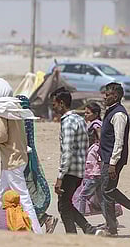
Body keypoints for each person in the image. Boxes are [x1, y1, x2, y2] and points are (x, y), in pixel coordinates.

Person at [0, 81, 42, 234]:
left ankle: (37, 231)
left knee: (23, 198)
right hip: (17, 157)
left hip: (12, 159)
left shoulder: (1, 108)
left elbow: (1, 136)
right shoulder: (13, 105)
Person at [98, 82, 130, 236]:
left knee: (106, 191)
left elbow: (119, 140)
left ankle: (112, 228)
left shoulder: (119, 114)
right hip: (108, 157)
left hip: (113, 159)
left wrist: (112, 163)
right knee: (107, 190)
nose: (104, 97)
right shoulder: (111, 112)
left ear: (115, 96)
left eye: (107, 95)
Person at [52, 89, 96, 235]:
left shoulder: (68, 121)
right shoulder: (79, 119)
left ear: (62, 103)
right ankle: (86, 229)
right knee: (66, 204)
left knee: (64, 206)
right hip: (79, 170)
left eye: (54, 104)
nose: (53, 108)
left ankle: (78, 233)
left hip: (70, 171)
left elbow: (67, 151)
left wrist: (60, 176)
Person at [16, 95, 56, 234]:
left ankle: (42, 220)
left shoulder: (23, 117)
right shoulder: (28, 115)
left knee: (26, 192)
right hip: (28, 155)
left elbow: (23, 139)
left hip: (23, 158)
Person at [75, 103, 103, 215]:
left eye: (88, 113)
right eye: (85, 112)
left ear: (95, 114)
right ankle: (112, 222)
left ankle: (80, 219)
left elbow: (100, 137)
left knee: (83, 195)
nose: (85, 115)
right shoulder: (91, 124)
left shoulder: (96, 124)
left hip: (94, 166)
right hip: (93, 164)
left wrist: (97, 148)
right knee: (101, 197)